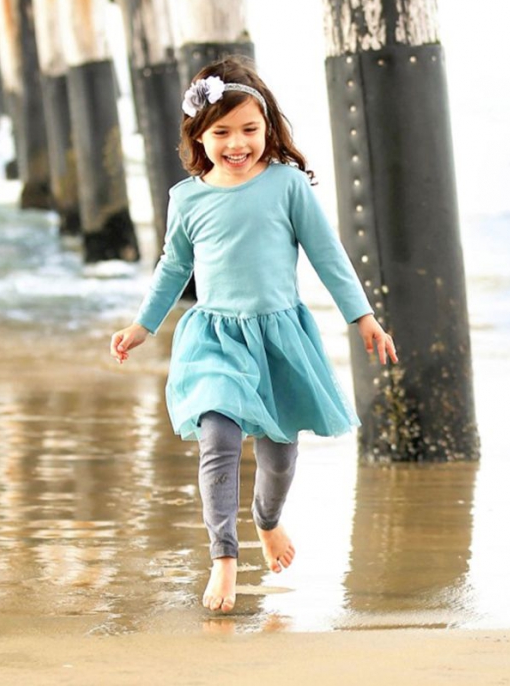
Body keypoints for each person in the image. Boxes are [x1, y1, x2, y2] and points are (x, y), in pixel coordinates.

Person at [109, 57, 397, 614]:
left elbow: (327, 254)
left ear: (268, 128)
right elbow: (174, 267)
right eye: (221, 132)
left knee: (279, 458)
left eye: (249, 129)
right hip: (215, 336)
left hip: (279, 338)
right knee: (217, 437)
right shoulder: (187, 198)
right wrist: (143, 325)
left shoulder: (287, 185)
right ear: (199, 135)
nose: (237, 143)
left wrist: (361, 315)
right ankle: (224, 558)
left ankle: (267, 521)